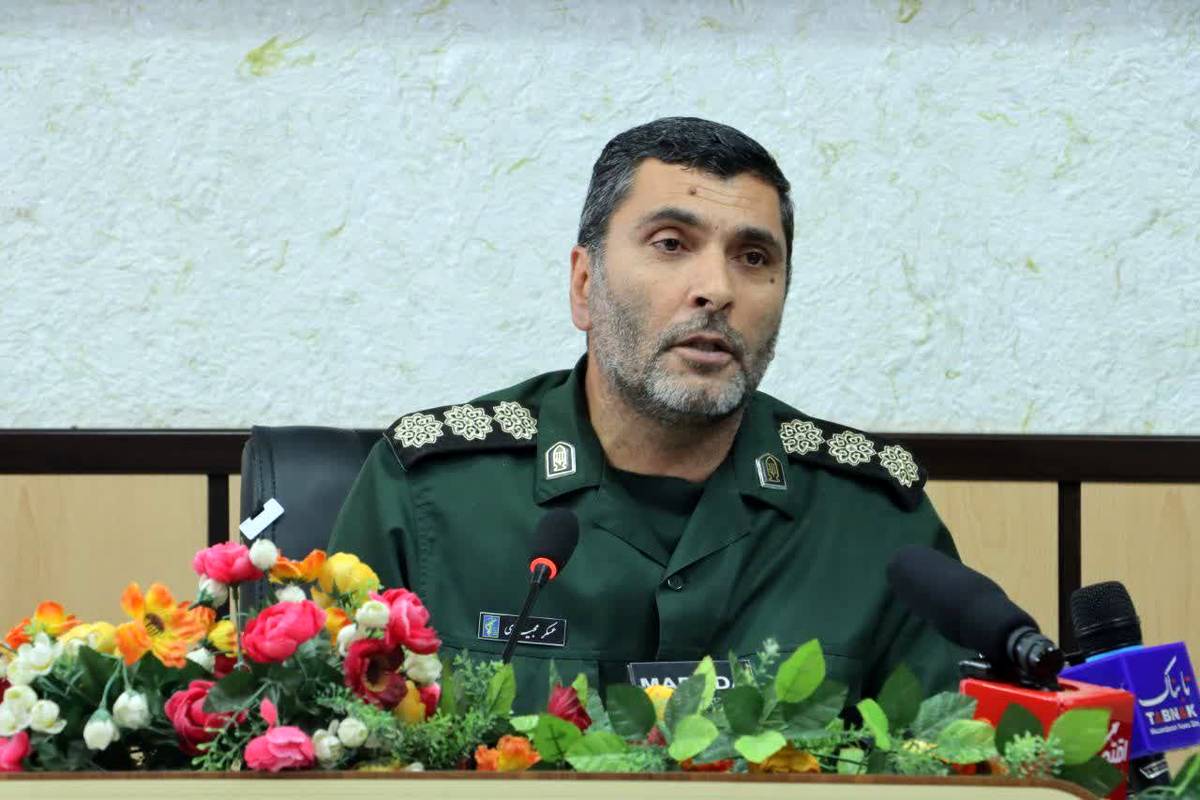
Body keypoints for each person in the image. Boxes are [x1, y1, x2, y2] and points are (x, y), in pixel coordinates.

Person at [328, 116, 969, 711]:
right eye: (671, 244)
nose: (716, 289)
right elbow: (337, 742)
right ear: (585, 285)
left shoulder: (872, 518)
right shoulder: (428, 493)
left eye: (753, 258)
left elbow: (953, 761)